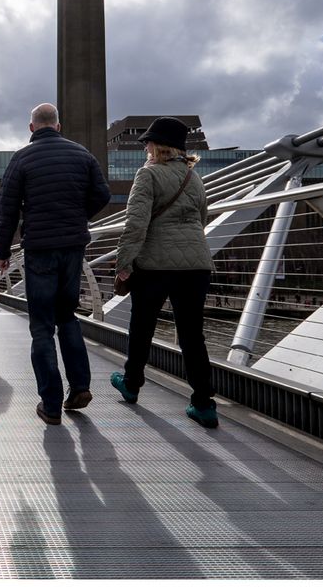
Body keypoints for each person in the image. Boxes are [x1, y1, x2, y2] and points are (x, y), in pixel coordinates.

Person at [0, 103, 110, 425]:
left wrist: (0, 252)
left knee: (42, 325)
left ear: (31, 128)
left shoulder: (22, 158)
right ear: (58, 126)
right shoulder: (82, 155)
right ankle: (81, 386)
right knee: (67, 316)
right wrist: (76, 217)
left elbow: (8, 211)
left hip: (40, 248)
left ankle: (51, 404)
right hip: (73, 247)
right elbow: (102, 194)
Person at [109, 117, 219, 428]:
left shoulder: (148, 175)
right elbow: (202, 219)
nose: (144, 146)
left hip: (155, 265)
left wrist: (124, 264)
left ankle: (131, 384)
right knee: (192, 334)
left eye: (148, 142)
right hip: (196, 265)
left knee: (142, 326)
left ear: (157, 147)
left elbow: (135, 224)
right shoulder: (193, 177)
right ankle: (203, 403)